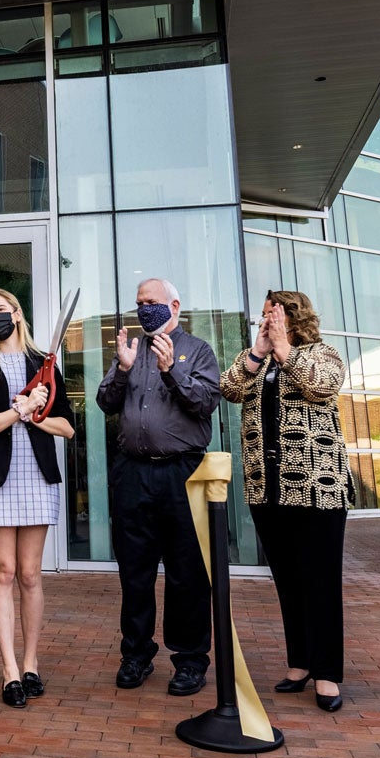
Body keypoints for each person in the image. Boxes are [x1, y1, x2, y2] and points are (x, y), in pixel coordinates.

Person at [221, 291, 351, 713]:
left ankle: (327, 672)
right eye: (262, 317)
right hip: (267, 487)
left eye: (271, 315)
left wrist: (284, 350)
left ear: (293, 317)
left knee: (321, 580)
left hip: (316, 486)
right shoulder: (258, 360)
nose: (265, 322)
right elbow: (229, 388)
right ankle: (300, 663)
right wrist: (259, 351)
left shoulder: (322, 353)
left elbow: (322, 386)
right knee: (289, 580)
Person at [95, 277, 219, 698]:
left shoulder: (198, 350)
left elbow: (204, 404)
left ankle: (189, 661)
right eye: (139, 303)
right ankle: (136, 655)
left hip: (182, 472)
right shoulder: (130, 350)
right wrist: (123, 370)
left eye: (151, 302)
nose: (144, 308)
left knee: (187, 572)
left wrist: (170, 373)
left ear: (174, 305)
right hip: (133, 473)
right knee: (135, 571)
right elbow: (105, 402)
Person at [0, 289, 75, 708]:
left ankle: (31, 663)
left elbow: (67, 427)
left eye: (0, 310)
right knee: (4, 571)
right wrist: (19, 410)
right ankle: (9, 668)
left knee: (30, 574)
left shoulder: (42, 364)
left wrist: (36, 415)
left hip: (36, 476)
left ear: (17, 313)